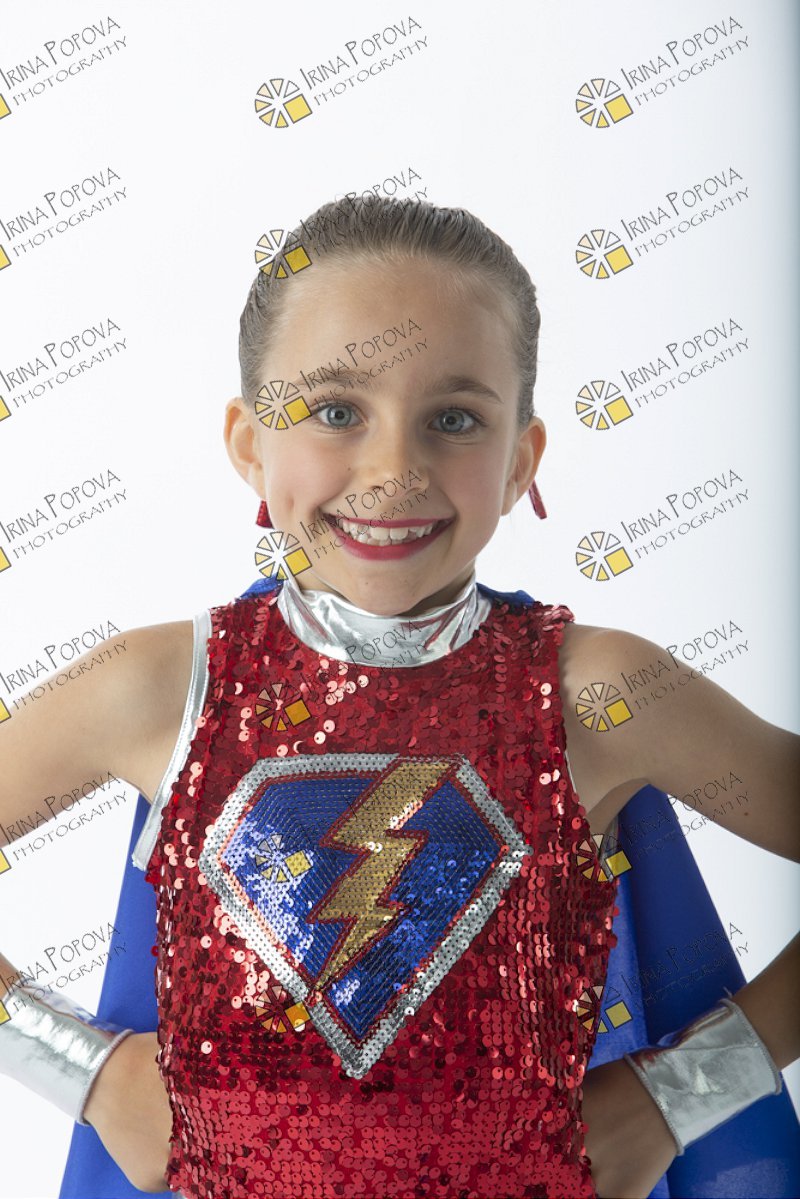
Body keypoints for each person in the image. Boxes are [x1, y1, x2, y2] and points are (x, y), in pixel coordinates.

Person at [2, 196, 799, 1199]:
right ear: (248, 442)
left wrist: (678, 1094)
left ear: (520, 459)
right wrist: (84, 1069)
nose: (392, 472)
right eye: (336, 412)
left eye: (453, 419)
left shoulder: (597, 693)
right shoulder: (157, 687)